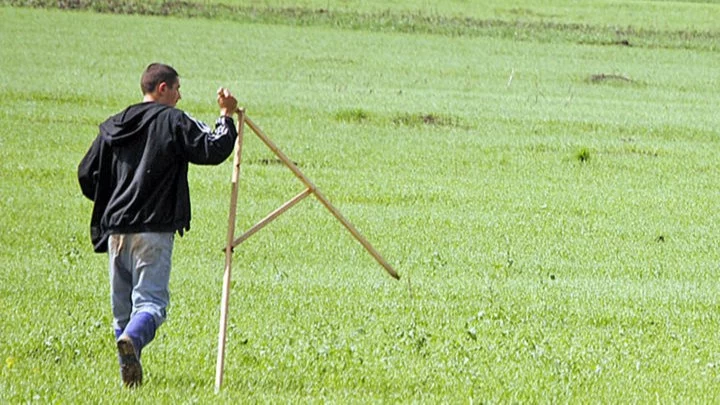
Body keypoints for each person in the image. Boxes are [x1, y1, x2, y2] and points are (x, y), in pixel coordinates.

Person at [77, 63, 239, 387]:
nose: (180, 97)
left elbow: (86, 173)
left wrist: (112, 200)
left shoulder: (114, 124)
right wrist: (226, 116)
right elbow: (212, 147)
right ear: (162, 88)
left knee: (123, 314)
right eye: (177, 89)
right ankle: (133, 344)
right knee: (151, 305)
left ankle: (129, 376)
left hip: (116, 230)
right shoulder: (173, 120)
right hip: (153, 230)